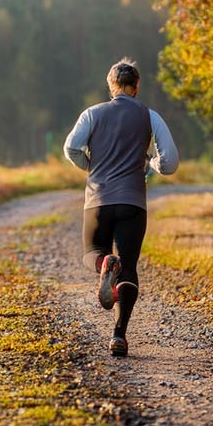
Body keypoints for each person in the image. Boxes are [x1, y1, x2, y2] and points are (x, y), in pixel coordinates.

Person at [62, 58, 179, 357]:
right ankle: (119, 335)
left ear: (111, 85)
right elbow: (170, 163)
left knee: (92, 253)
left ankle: (104, 265)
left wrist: (91, 166)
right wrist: (150, 162)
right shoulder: (150, 116)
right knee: (129, 266)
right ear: (137, 87)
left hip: (98, 200)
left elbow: (71, 147)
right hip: (133, 202)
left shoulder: (92, 114)